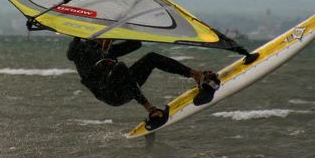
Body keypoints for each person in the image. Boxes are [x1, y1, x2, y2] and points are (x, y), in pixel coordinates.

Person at [67, 37, 219, 130]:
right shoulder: (80, 50)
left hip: (125, 86)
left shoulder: (107, 51)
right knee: (119, 67)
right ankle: (150, 109)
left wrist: (119, 32)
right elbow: (70, 53)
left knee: (150, 57)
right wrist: (79, 34)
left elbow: (135, 44)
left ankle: (195, 74)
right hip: (111, 94)